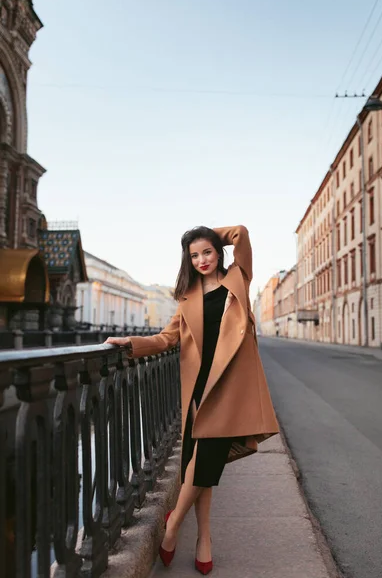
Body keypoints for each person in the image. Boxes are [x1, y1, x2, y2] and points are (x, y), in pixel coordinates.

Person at [106, 225, 279, 575]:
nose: (201, 260)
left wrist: (199, 233)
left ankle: (173, 526)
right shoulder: (188, 297)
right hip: (200, 388)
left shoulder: (238, 278)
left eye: (207, 252)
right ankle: (204, 538)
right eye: (194, 255)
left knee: (204, 462)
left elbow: (241, 234)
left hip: (230, 386)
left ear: (219, 253)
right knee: (202, 465)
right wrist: (132, 343)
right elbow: (168, 338)